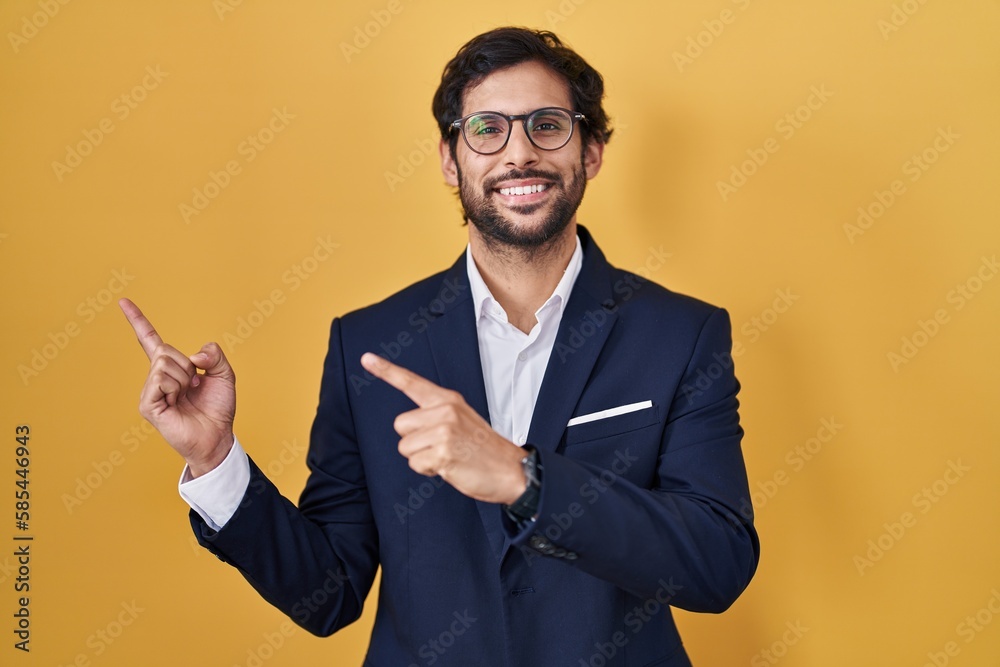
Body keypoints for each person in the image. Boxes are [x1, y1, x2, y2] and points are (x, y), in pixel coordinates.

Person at [121, 26, 759, 667]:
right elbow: (327, 595)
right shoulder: (368, 343)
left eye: (547, 125)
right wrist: (215, 461)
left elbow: (717, 563)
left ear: (590, 151)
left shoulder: (681, 334)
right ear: (451, 160)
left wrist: (523, 479)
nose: (520, 154)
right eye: (487, 129)